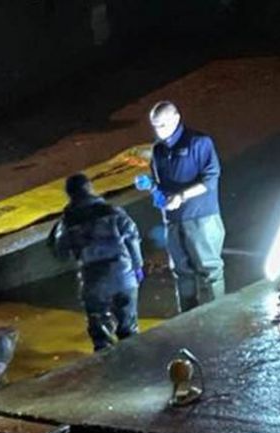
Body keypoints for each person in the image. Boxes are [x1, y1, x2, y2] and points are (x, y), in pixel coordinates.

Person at [135, 100, 225, 313]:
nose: (159, 130)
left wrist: (181, 196)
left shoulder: (199, 142)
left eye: (163, 125)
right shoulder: (157, 150)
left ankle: (219, 315)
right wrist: (151, 186)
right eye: (155, 126)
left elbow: (210, 179)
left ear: (176, 119)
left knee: (209, 270)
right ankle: (187, 318)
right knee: (182, 272)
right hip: (173, 221)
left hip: (201, 217)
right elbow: (159, 185)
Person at [51, 173, 144, 352]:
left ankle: (107, 372)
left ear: (70, 195)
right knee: (129, 330)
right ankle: (135, 366)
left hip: (92, 282)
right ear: (90, 189)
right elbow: (132, 238)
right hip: (123, 277)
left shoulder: (67, 222)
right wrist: (137, 267)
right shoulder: (113, 212)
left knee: (101, 338)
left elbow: (60, 253)